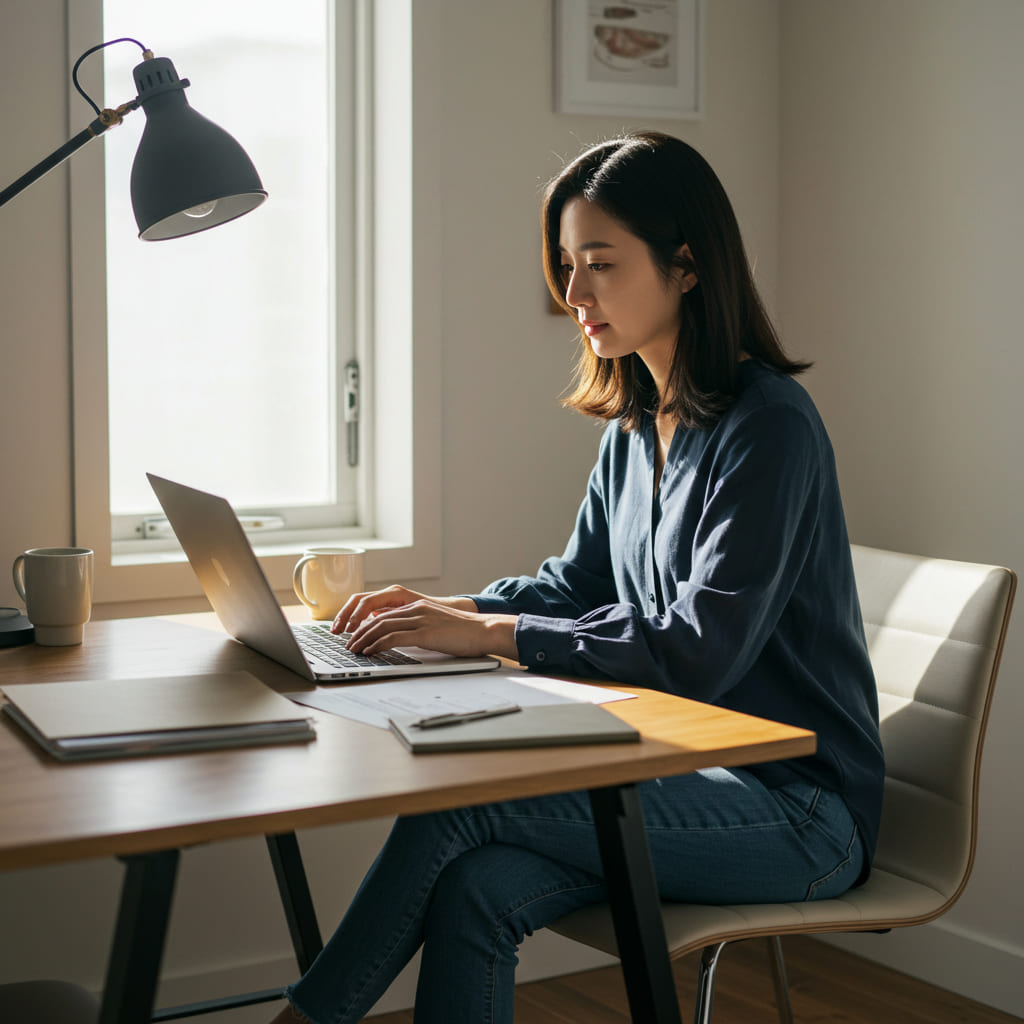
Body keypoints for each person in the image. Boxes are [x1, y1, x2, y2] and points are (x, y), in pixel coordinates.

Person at [268, 130, 884, 1024]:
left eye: (599, 263)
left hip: (800, 813)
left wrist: (490, 635)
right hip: (683, 773)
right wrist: (449, 609)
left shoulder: (771, 429)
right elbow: (573, 586)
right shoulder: (632, 429)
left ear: (686, 268)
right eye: (565, 264)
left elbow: (699, 652)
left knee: (457, 808)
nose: (573, 293)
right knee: (477, 886)